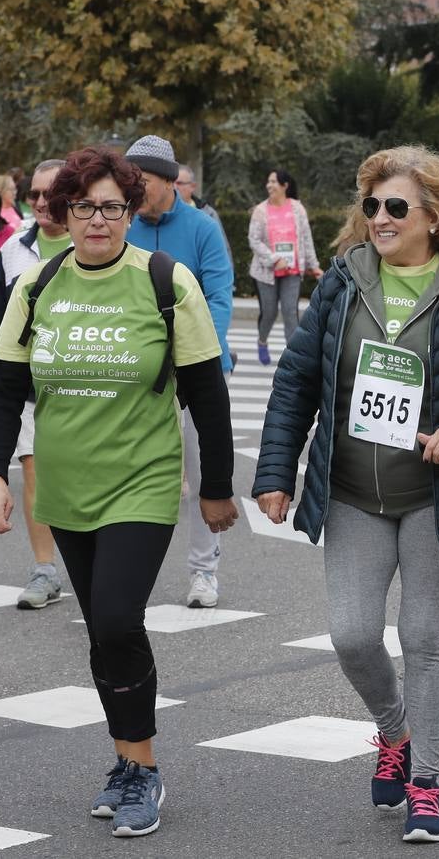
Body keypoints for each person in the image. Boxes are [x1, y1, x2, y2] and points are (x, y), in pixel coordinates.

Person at [253, 145, 439, 846]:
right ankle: (392, 731)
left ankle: (426, 782)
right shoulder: (343, 282)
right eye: (371, 206)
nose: (379, 218)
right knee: (353, 635)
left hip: (437, 494)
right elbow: (297, 381)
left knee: (424, 638)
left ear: (434, 214)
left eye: (395, 206)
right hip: (350, 491)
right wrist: (276, 471)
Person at [0, 146, 237, 838]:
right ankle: (124, 761)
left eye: (112, 207)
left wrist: (215, 487)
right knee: (102, 630)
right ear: (65, 213)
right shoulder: (37, 284)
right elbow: (4, 386)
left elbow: (208, 392)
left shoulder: (163, 280)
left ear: (130, 211)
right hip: (65, 485)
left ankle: (144, 769)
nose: (98, 220)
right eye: (84, 207)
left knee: (120, 619)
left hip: (142, 480)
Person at [124, 136, 235, 609]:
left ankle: (203, 572)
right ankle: (124, 570)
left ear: (170, 182)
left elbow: (220, 299)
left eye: (141, 181)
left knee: (198, 472)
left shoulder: (202, 229)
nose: (132, 189)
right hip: (134, 370)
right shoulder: (121, 226)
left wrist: (194, 356)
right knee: (132, 474)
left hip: (195, 370)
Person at [0, 159, 71, 610]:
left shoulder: (91, 241)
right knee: (34, 469)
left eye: (49, 192)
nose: (39, 201)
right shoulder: (14, 248)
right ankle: (45, 570)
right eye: (33, 193)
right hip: (30, 384)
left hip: (85, 385)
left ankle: (96, 558)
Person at [248, 169, 323, 364]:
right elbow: (254, 240)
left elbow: (306, 239)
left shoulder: (297, 209)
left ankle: (292, 356)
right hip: (266, 273)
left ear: (285, 186)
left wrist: (314, 266)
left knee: (291, 312)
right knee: (270, 313)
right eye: (268, 182)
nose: (269, 185)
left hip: (292, 271)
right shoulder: (260, 210)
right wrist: (274, 259)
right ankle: (262, 341)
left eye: (273, 182)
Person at [175, 163, 232, 257]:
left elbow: (223, 250)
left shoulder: (209, 214)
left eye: (179, 183)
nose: (175, 187)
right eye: (172, 182)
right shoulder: (160, 213)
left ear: (193, 186)